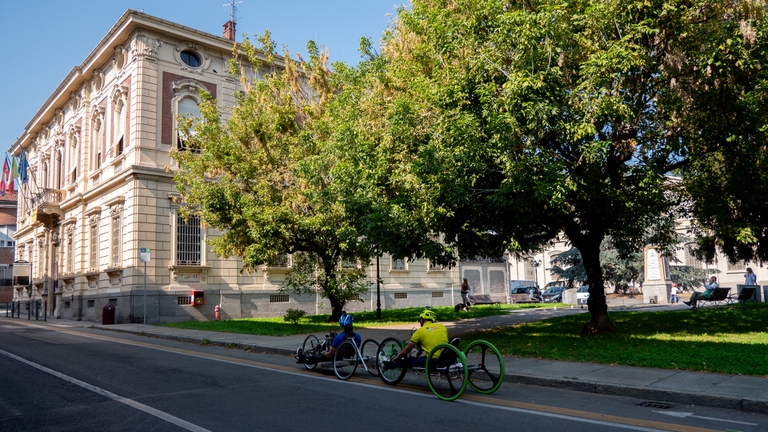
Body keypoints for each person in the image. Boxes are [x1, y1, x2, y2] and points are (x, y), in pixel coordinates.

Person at [295, 313, 361, 364]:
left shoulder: (338, 338)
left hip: (335, 357)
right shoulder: (358, 337)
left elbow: (329, 355)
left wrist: (324, 353)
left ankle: (301, 357)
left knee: (314, 357)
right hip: (349, 356)